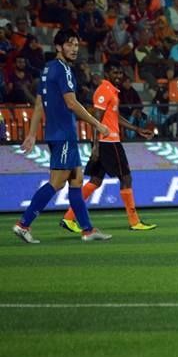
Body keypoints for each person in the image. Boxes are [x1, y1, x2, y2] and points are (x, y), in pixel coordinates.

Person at [12, 29, 112, 244]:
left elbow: (39, 104)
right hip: (64, 134)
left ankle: (87, 229)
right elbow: (72, 103)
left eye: (76, 45)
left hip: (56, 134)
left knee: (76, 181)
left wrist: (32, 134)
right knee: (56, 183)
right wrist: (97, 124)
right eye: (69, 44)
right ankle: (24, 224)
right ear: (58, 47)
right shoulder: (64, 70)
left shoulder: (47, 69)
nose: (74, 49)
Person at [60, 62, 157, 234]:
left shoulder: (111, 90)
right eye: (114, 72)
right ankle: (134, 221)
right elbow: (96, 119)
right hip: (108, 142)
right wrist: (96, 146)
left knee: (95, 181)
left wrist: (137, 129)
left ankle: (68, 217)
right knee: (126, 178)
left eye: (120, 72)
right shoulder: (104, 90)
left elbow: (114, 116)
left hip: (106, 142)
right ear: (107, 73)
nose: (118, 75)